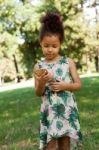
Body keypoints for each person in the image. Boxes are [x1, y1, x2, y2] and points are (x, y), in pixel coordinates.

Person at [34, 11, 82, 150]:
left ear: (60, 43)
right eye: (46, 46)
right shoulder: (39, 66)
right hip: (49, 111)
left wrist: (65, 85)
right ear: (41, 43)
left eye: (54, 46)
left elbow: (78, 85)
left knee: (65, 144)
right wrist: (42, 82)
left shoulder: (68, 62)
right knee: (49, 145)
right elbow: (38, 92)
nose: (50, 50)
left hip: (66, 108)